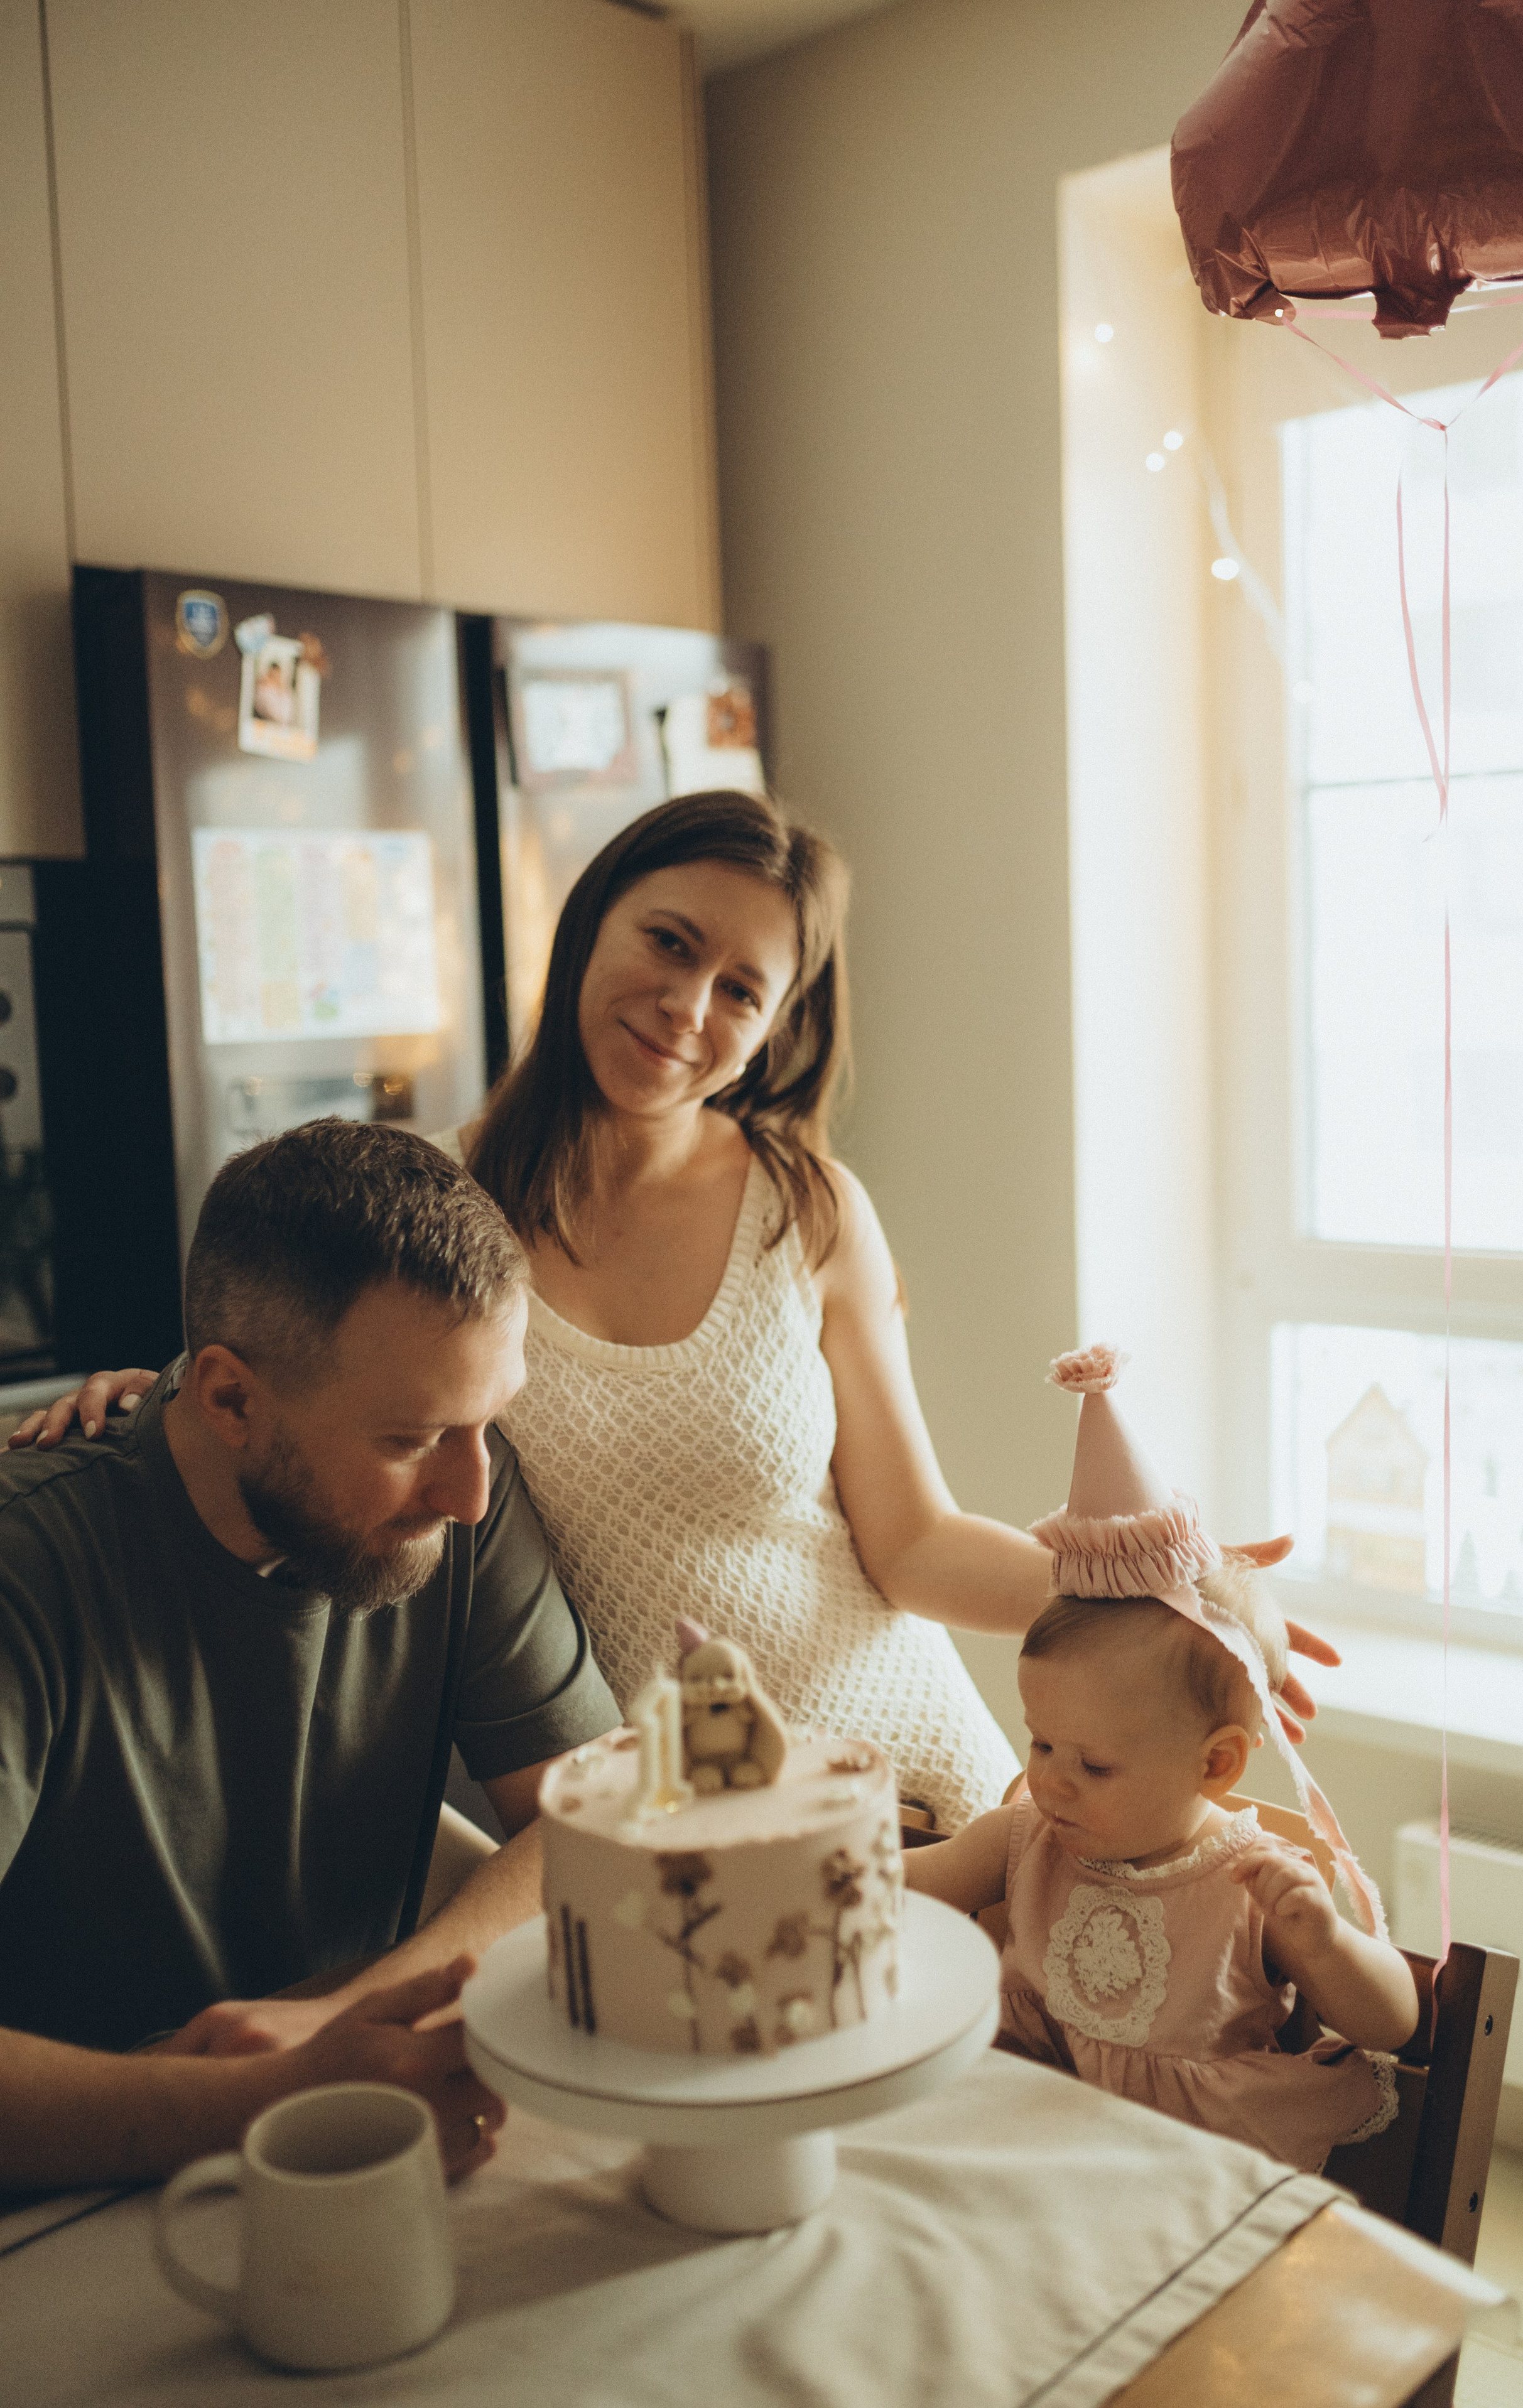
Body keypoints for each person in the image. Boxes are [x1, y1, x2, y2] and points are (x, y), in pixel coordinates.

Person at [29, 791, 1336, 1834]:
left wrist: (1170, 1584)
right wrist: (129, 1407)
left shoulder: (806, 1208)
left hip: (922, 1784)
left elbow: (915, 1541)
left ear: (772, 1028)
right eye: (668, 941)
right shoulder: (436, 1201)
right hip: (677, 1827)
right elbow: (289, 1377)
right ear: (592, 920)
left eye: (739, 989)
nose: (686, 1006)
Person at [0, 1122, 619, 2194]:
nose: (470, 1496)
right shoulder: (31, 1572)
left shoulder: (464, 1489)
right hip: (83, 2188)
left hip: (356, 2144)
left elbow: (595, 1812)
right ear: (232, 1399)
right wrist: (263, 2097)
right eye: (410, 1440)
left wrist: (348, 2028)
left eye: (486, 1424)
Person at [904, 1348, 1418, 2173]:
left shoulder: (1252, 1882)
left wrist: (1323, 1940)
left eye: (1094, 1767)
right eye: (1040, 1743)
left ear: (1215, 1766)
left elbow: (1393, 2024)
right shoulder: (1022, 1839)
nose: (1050, 1779)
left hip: (1182, 2172)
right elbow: (899, 1890)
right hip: (1022, 2144)